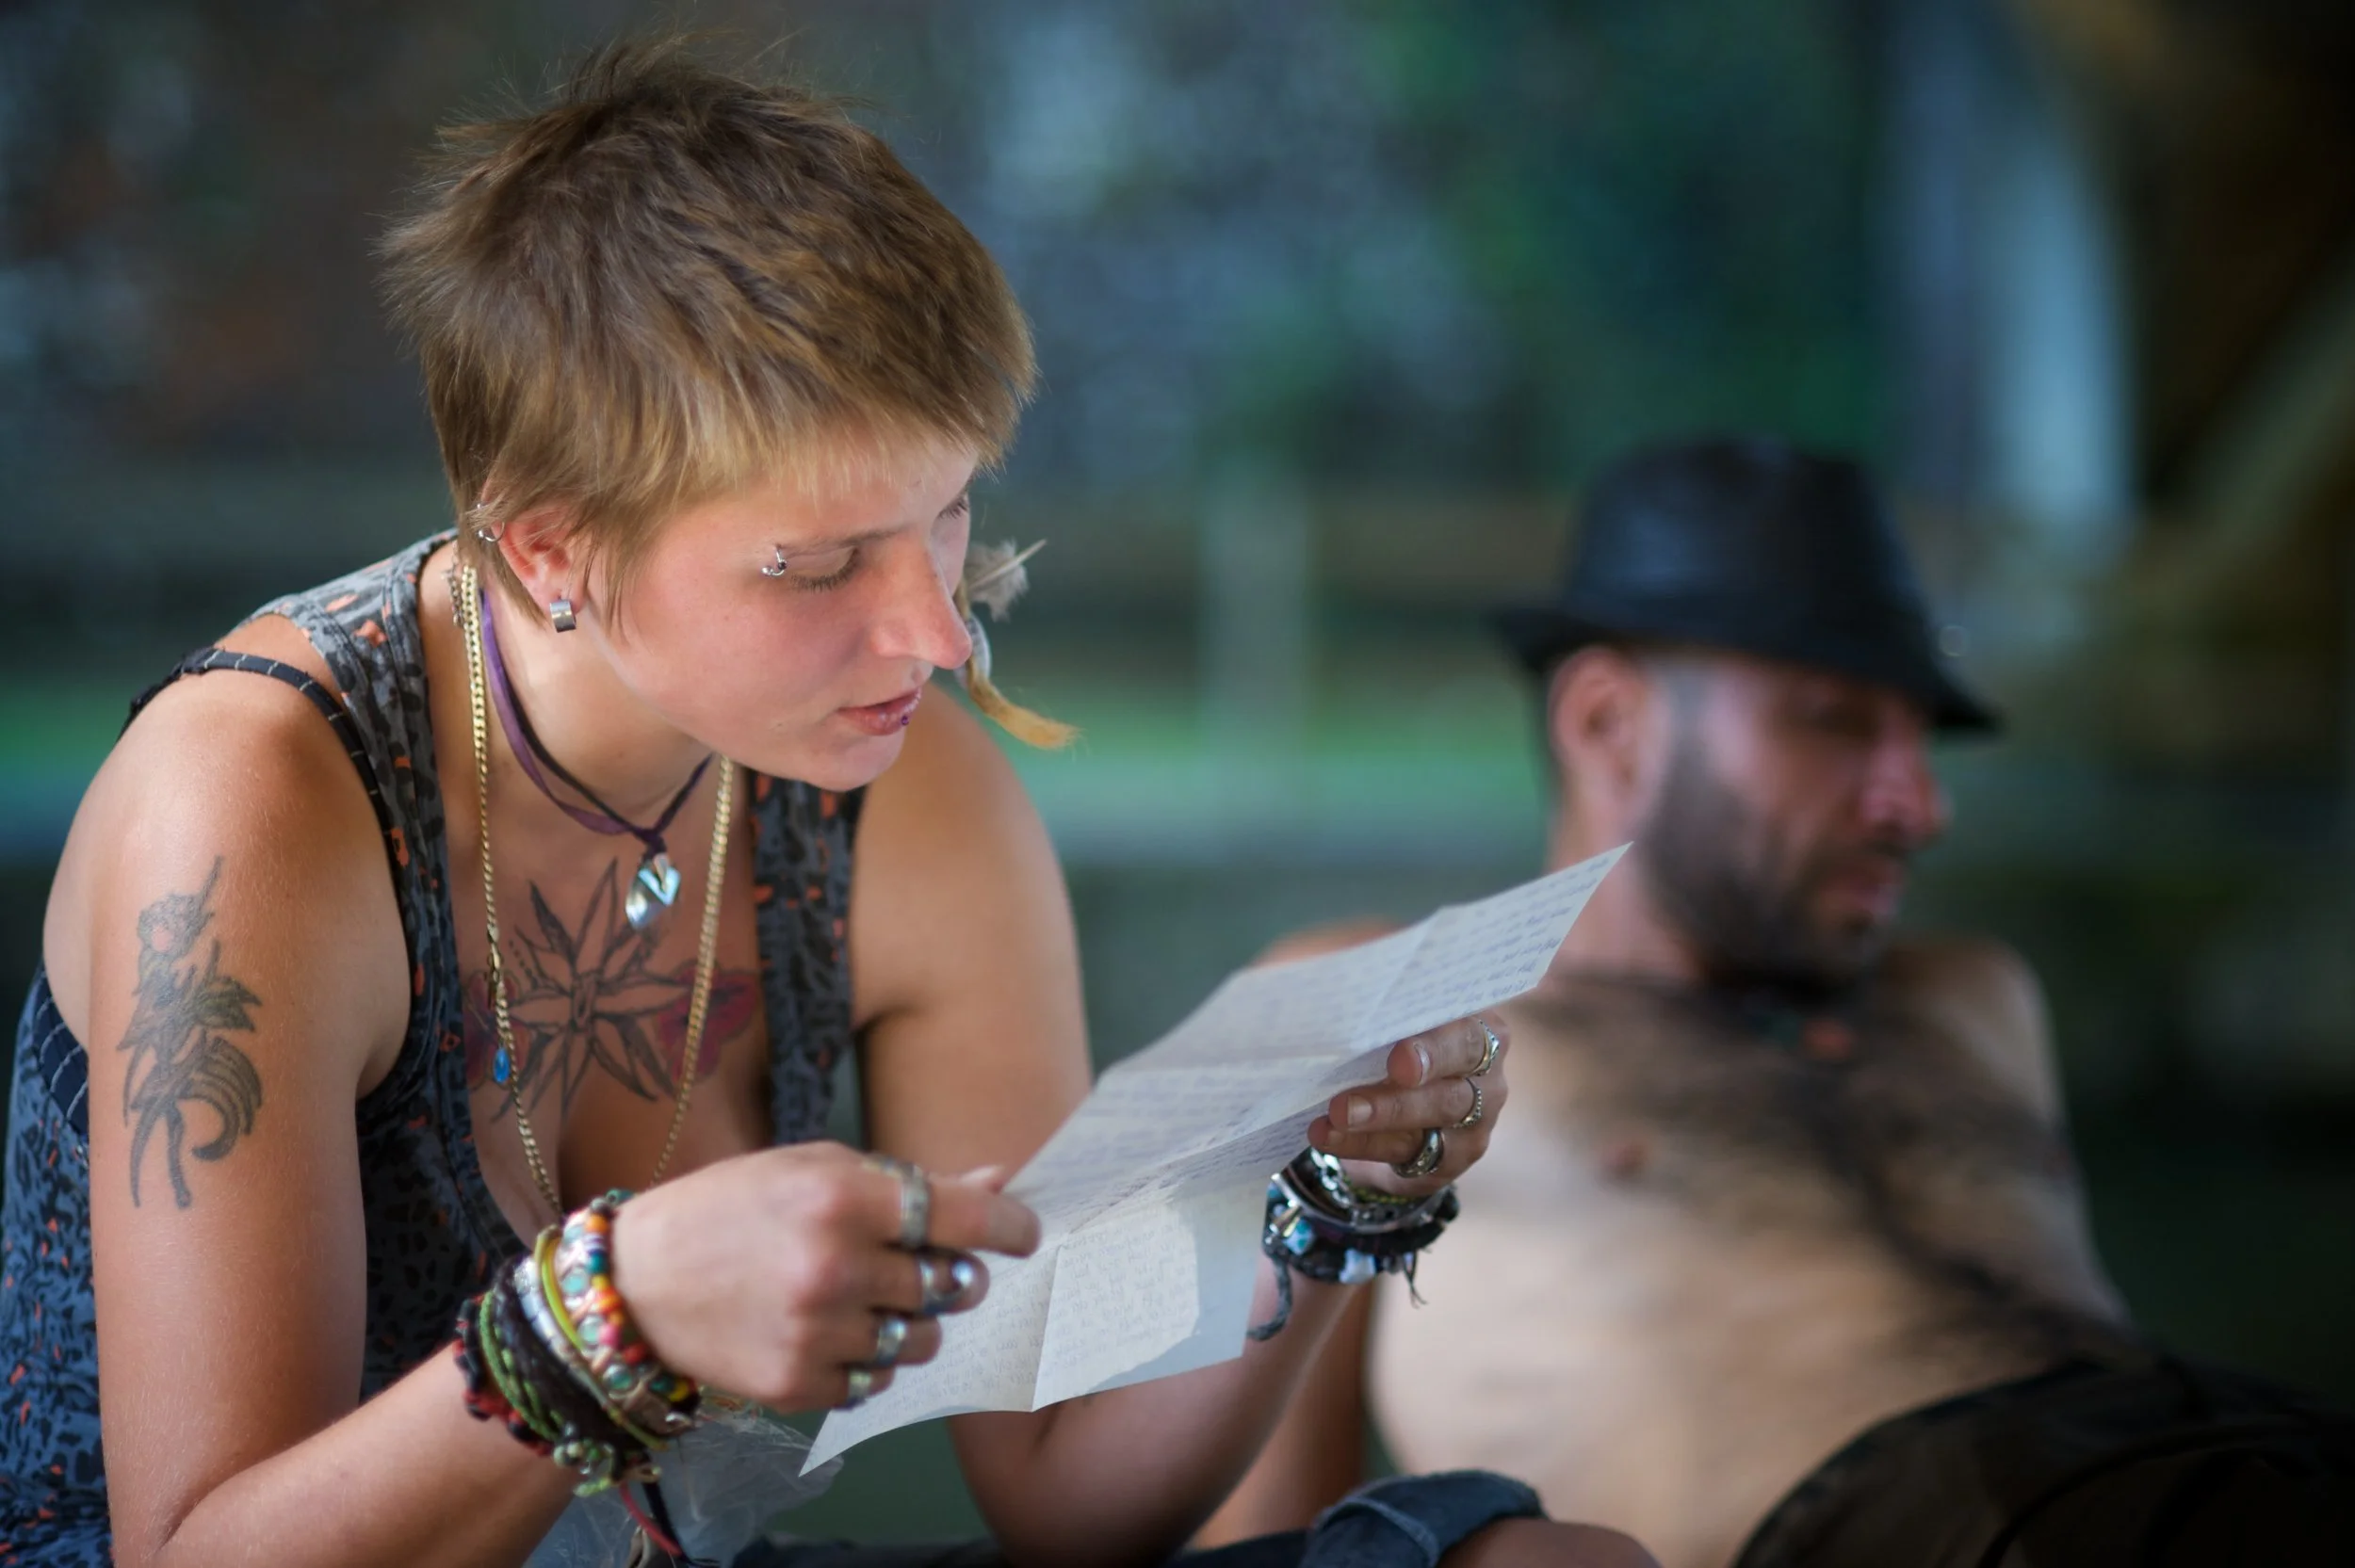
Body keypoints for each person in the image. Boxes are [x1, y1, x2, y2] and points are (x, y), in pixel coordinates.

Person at [0, 44, 1657, 1568]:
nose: (934, 634)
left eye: (946, 516)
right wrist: (615, 1318)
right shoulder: (253, 804)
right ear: (550, 544)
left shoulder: (894, 781)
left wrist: (1316, 1200)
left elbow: (1067, 1490)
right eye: (817, 564)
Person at [1204, 437, 2355, 1567]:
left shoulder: (1969, 999)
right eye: (1837, 720)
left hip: (2254, 1457)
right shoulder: (1384, 1010)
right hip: (1919, 1524)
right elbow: (1256, 1545)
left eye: (1921, 738)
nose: (1920, 806)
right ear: (1609, 724)